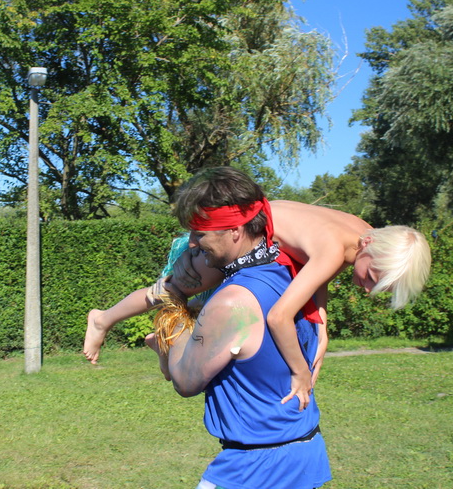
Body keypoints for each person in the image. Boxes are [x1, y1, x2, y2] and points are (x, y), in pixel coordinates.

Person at [84, 197, 431, 401]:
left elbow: (318, 276)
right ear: (369, 245)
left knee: (201, 302)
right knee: (174, 289)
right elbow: (279, 317)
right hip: (238, 234)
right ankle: (103, 319)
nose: (368, 289)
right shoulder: (336, 249)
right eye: (372, 278)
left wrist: (322, 329)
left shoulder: (360, 230)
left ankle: (164, 344)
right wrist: (300, 373)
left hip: (254, 235)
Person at [148, 166, 332, 488]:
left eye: (200, 233)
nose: (192, 244)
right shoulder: (292, 272)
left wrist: (173, 307)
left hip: (256, 469)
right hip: (303, 454)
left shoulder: (232, 302)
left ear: (234, 230)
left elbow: (185, 380)